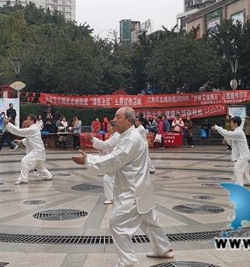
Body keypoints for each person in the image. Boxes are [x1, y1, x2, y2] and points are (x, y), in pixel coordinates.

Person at [71, 107, 174, 267]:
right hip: (139, 187)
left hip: (134, 191)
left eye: (118, 117)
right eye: (114, 116)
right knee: (150, 222)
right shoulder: (125, 136)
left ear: (129, 120)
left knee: (117, 223)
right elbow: (116, 158)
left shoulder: (131, 138)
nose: (114, 120)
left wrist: (88, 160)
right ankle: (164, 250)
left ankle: (127, 261)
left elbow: (115, 159)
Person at [3, 115, 53, 184]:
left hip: (37, 151)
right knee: (39, 167)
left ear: (32, 120)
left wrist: (8, 124)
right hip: (40, 151)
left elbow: (19, 131)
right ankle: (48, 175)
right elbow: (31, 138)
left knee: (24, 161)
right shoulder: (35, 128)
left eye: (28, 119)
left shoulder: (32, 129)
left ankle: (23, 179)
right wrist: (22, 141)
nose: (26, 121)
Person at [213, 116, 250, 187]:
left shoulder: (238, 132)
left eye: (231, 123)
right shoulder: (237, 132)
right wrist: (226, 137)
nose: (230, 124)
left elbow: (228, 134)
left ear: (236, 124)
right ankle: (247, 182)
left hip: (243, 155)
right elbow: (231, 141)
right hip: (242, 154)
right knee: (244, 169)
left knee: (237, 168)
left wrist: (217, 128)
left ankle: (239, 185)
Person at [88, 121, 118, 205]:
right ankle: (113, 197)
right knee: (111, 178)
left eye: (109, 127)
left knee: (108, 178)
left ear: (114, 127)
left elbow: (106, 145)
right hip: (114, 159)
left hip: (116, 160)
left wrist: (93, 139)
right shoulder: (113, 136)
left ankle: (111, 198)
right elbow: (106, 146)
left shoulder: (116, 137)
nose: (108, 129)